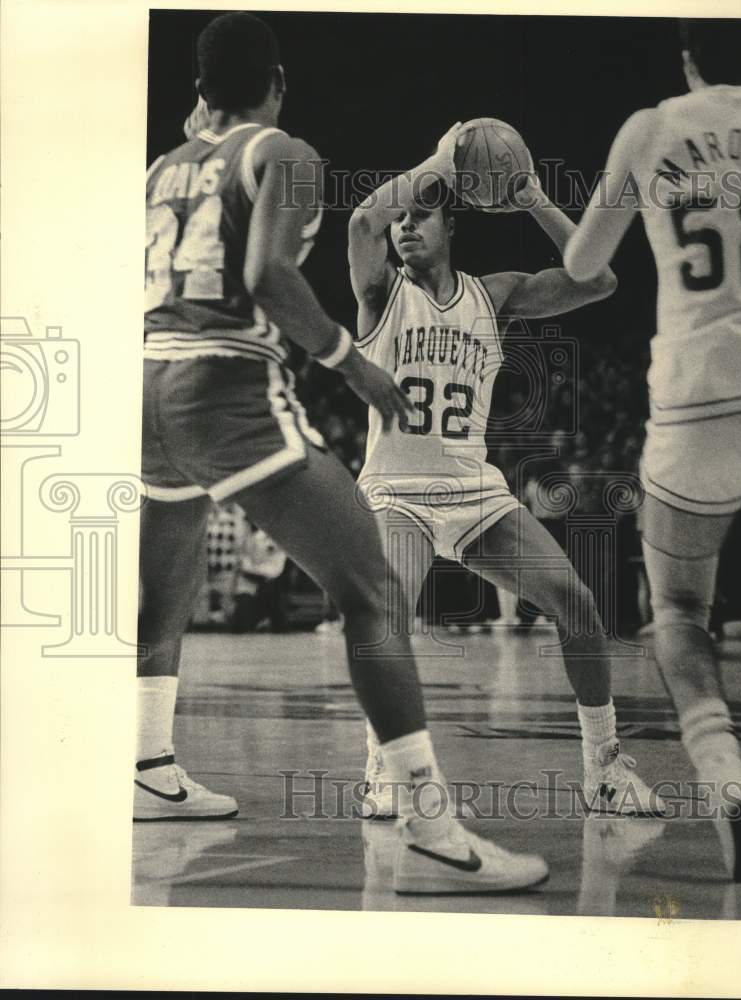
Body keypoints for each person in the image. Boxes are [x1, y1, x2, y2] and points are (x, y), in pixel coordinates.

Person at [138, 11, 549, 894]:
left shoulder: (164, 166)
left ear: (199, 90)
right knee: (371, 592)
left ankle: (148, 768)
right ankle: (434, 836)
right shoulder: (284, 152)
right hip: (224, 387)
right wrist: (349, 362)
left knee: (162, 591)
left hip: (144, 387)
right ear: (277, 81)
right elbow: (264, 279)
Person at [348, 124, 663, 818]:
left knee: (578, 605)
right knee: (388, 615)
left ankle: (603, 770)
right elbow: (364, 217)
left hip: (474, 491)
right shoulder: (379, 295)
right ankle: (381, 766)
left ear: (450, 224)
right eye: (401, 218)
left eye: (421, 215)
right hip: (396, 491)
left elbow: (597, 278)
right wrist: (436, 161)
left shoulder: (494, 296)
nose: (404, 227)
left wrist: (530, 197)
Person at [563, 18, 741, 881]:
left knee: (681, 612)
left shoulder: (648, 128)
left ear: (686, 62)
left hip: (694, 392)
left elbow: (581, 267)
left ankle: (728, 782)